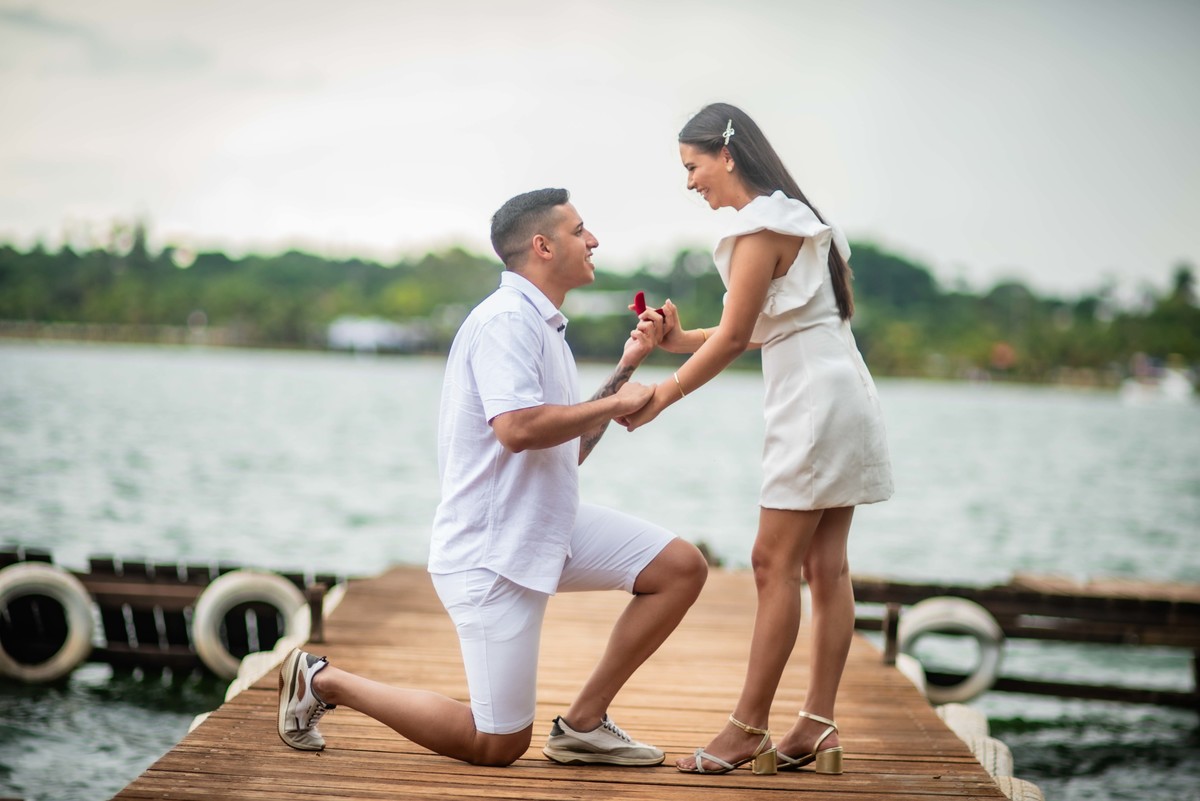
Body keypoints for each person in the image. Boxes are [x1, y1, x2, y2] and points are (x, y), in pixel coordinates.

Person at [278, 187, 708, 768]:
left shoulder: (542, 324)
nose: (594, 240)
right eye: (581, 230)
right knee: (497, 744)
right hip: (491, 554)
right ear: (542, 246)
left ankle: (582, 724)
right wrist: (614, 403)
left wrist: (628, 367)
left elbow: (566, 449)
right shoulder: (507, 321)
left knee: (679, 567)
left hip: (543, 526)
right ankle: (324, 682)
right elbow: (517, 428)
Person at [619, 103, 893, 776]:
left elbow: (741, 335)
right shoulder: (801, 217)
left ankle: (747, 729)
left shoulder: (760, 227)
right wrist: (678, 341)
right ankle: (817, 725)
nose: (690, 183)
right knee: (825, 567)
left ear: (727, 155)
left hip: (810, 403)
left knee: (773, 564)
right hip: (843, 391)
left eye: (693, 166)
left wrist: (662, 393)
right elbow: (764, 326)